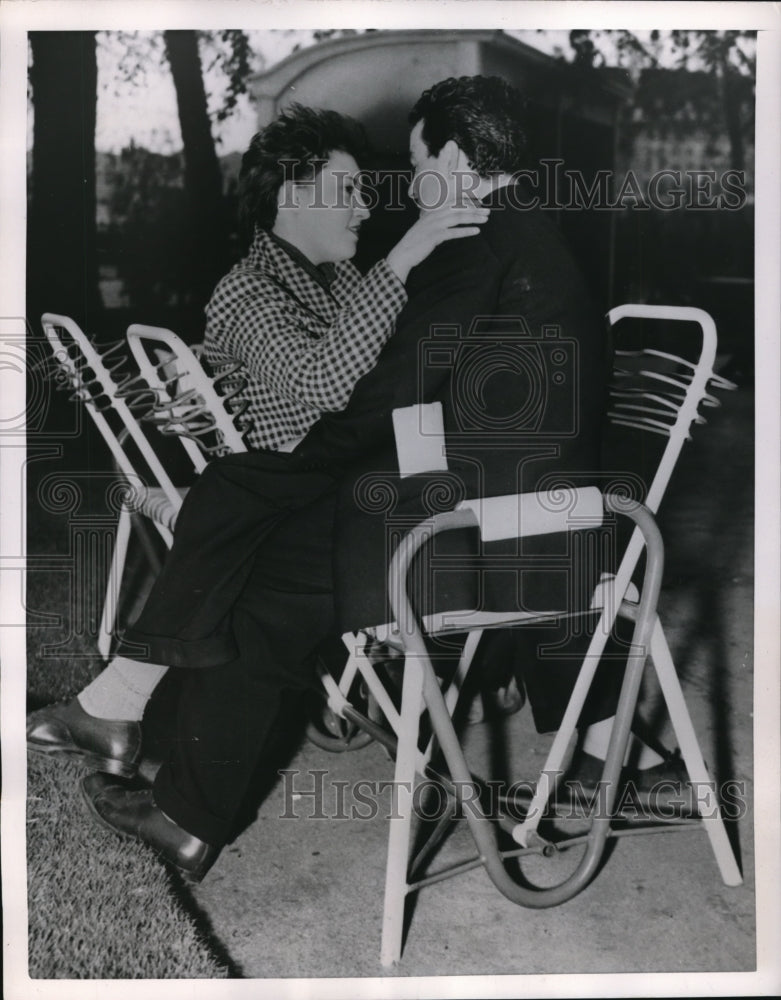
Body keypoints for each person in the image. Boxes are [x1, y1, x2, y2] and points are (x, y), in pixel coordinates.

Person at [36, 78, 688, 882]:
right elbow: (435, 407)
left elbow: (382, 402)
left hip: (486, 539)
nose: (406, 190)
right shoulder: (532, 234)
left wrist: (285, 474)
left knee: (257, 557)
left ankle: (172, 793)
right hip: (530, 521)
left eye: (415, 166)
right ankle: (148, 749)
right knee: (254, 521)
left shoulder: (473, 246)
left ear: (454, 158)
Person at [27, 104, 489, 773]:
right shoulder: (246, 291)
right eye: (348, 190)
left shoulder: (343, 283)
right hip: (298, 505)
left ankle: (118, 703)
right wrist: (404, 258)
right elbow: (325, 381)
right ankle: (121, 705)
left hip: (326, 492)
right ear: (292, 196)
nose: (364, 207)